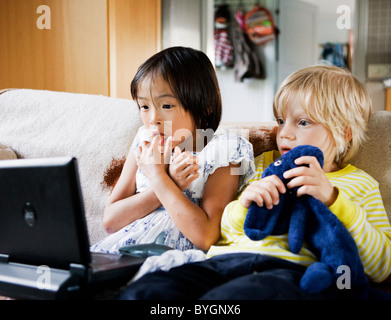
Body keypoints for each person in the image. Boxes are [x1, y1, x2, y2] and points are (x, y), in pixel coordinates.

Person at [119, 65, 391, 300]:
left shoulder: (359, 183)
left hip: (290, 272)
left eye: (303, 122)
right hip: (223, 262)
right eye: (281, 121)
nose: (284, 133)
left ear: (343, 132)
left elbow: (381, 266)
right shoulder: (263, 164)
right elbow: (222, 232)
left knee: (232, 299)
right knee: (149, 291)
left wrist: (334, 200)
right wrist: (244, 205)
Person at [91, 47, 254, 254]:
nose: (153, 119)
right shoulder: (145, 142)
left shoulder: (226, 150)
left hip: (174, 259)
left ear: (206, 106)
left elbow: (205, 237)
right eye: (144, 107)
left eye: (166, 106)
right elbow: (111, 223)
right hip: (122, 253)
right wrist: (171, 184)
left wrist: (159, 177)